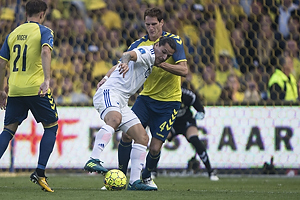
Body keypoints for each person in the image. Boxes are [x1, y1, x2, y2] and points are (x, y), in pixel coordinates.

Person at [83, 36, 176, 191]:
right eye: (163, 51)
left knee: (142, 137)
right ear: (156, 45)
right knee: (115, 119)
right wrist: (125, 62)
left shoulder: (152, 61)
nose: (164, 57)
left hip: (122, 101)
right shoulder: (147, 53)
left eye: (168, 56)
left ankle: (134, 181)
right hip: (109, 93)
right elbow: (127, 55)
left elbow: (119, 63)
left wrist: (106, 76)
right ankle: (93, 159)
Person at [118, 7, 188, 190]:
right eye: (147, 24)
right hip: (146, 99)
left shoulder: (173, 42)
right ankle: (120, 176)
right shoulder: (139, 45)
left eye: (154, 24)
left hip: (169, 103)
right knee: (126, 134)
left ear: (162, 23)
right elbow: (122, 61)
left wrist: (161, 63)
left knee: (155, 147)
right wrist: (107, 77)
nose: (150, 28)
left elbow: (184, 70)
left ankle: (147, 176)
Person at [0, 0, 58, 192]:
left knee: (8, 130)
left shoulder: (12, 34)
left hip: (15, 89)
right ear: (42, 14)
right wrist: (47, 79)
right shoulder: (44, 32)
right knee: (51, 126)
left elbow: (2, 64)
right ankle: (40, 173)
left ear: (26, 13)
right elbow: (44, 51)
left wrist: (2, 89)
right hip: (36, 88)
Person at [166, 81, 219, 181]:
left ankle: (210, 171)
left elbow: (200, 109)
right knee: (159, 139)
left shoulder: (188, 95)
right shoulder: (164, 95)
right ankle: (152, 171)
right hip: (171, 123)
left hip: (187, 122)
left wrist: (201, 114)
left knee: (195, 139)